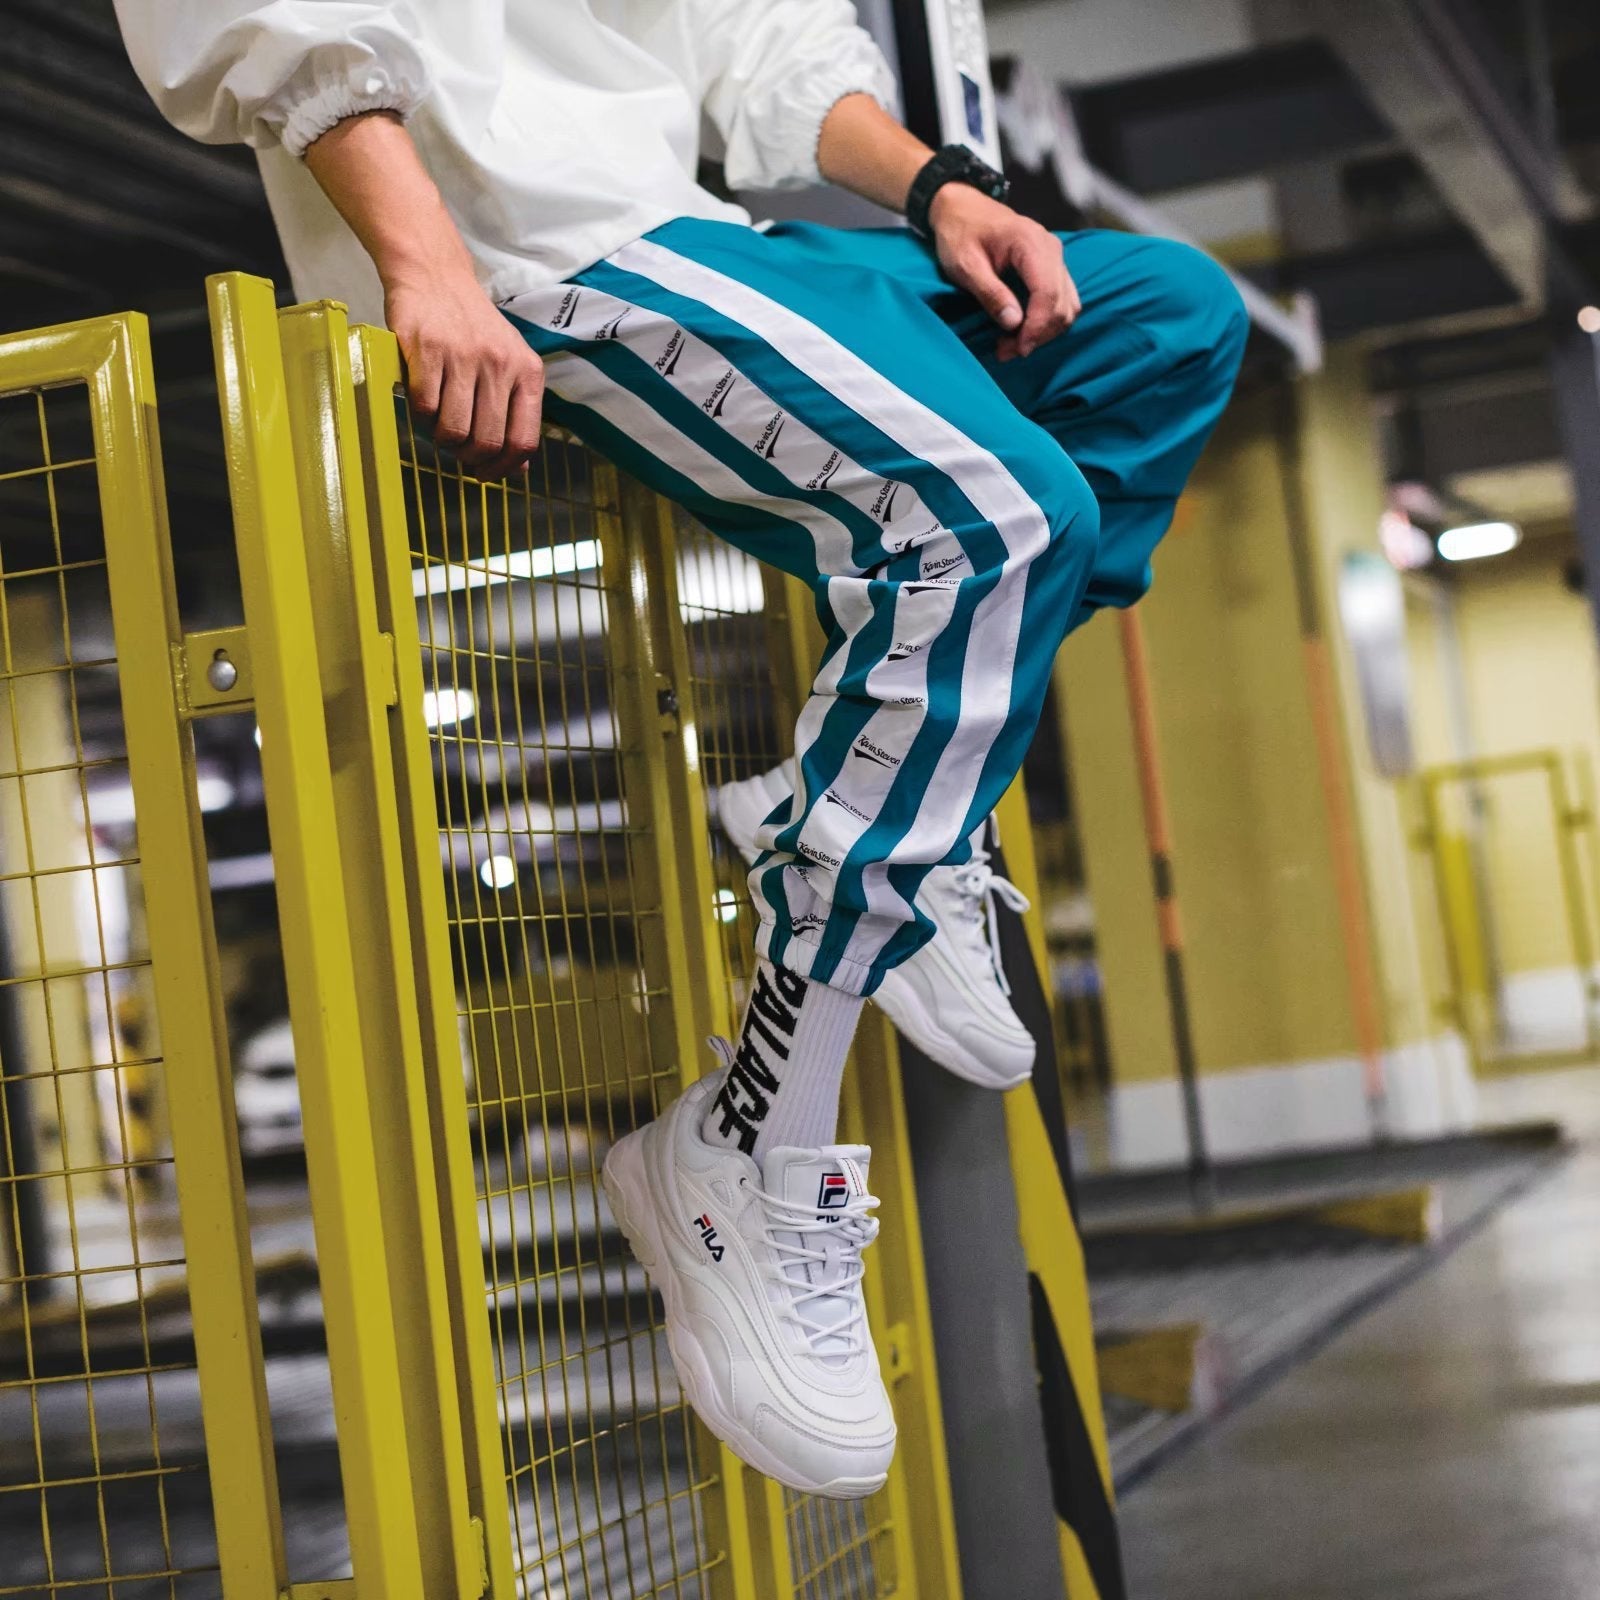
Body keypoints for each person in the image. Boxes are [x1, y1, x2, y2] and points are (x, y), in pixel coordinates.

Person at [115, 0, 1248, 1499]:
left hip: (701, 230)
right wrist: (424, 260)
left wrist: (936, 188)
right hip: (533, 254)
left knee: (1171, 314)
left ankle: (881, 818)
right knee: (993, 520)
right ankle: (746, 1145)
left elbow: (744, 30)